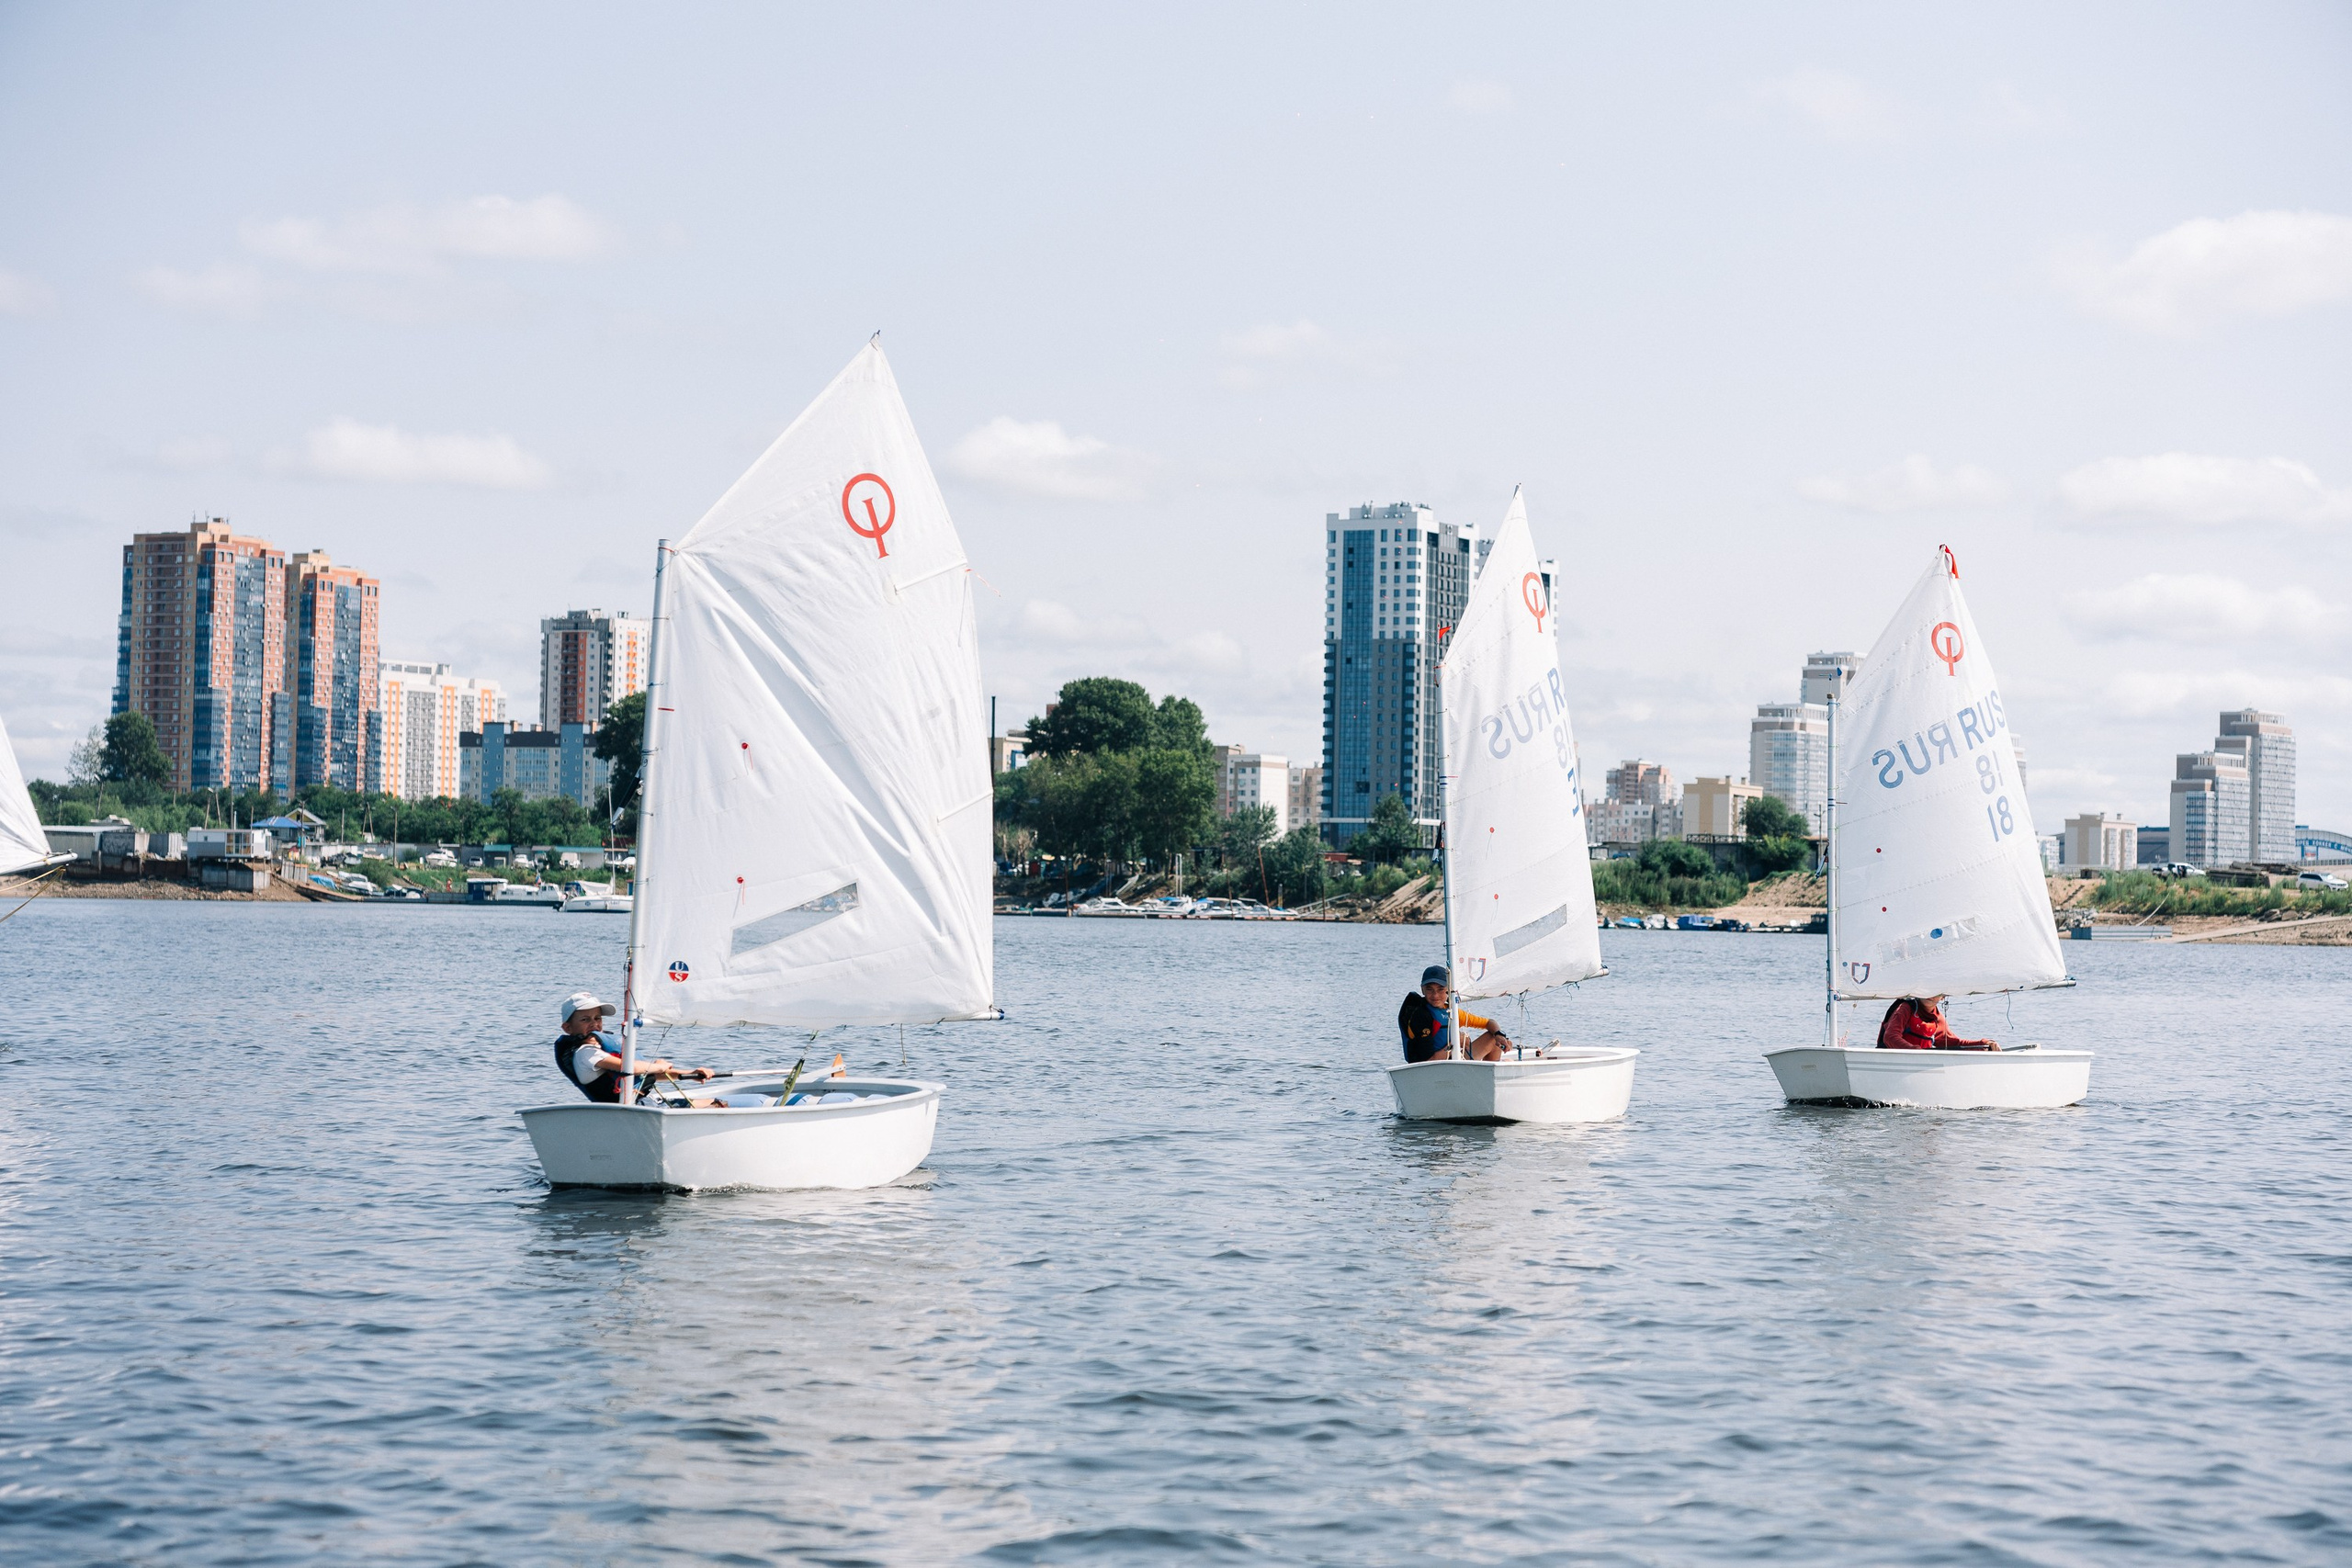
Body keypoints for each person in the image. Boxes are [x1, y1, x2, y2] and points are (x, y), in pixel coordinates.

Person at [554, 991, 720, 1104]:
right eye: (585, 1020)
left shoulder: (599, 1048)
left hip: (638, 1106)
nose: (594, 1024)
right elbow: (629, 1068)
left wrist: (690, 1074)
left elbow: (646, 1073)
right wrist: (659, 1066)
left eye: (597, 1018)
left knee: (714, 1103)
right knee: (717, 1105)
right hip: (630, 1112)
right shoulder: (586, 1053)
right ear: (568, 1028)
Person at [1397, 964, 1512, 1063]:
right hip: (1431, 1068)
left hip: (1454, 1062)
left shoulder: (1452, 1011)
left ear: (1449, 989)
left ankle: (1488, 1079)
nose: (1435, 995)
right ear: (1422, 990)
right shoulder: (1421, 1016)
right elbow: (1428, 1061)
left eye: (1440, 989)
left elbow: (1489, 1023)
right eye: (1429, 989)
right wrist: (1456, 1043)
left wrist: (1500, 1036)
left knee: (1493, 1038)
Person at [1876, 995, 1999, 1052]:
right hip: (1896, 1060)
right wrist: (1913, 1051)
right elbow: (1890, 1036)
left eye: (1936, 991)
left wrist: (1983, 1044)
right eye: (1927, 990)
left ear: (1943, 997)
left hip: (1917, 1063)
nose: (1930, 993)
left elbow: (1952, 1043)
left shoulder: (1937, 1018)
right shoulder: (1906, 1008)